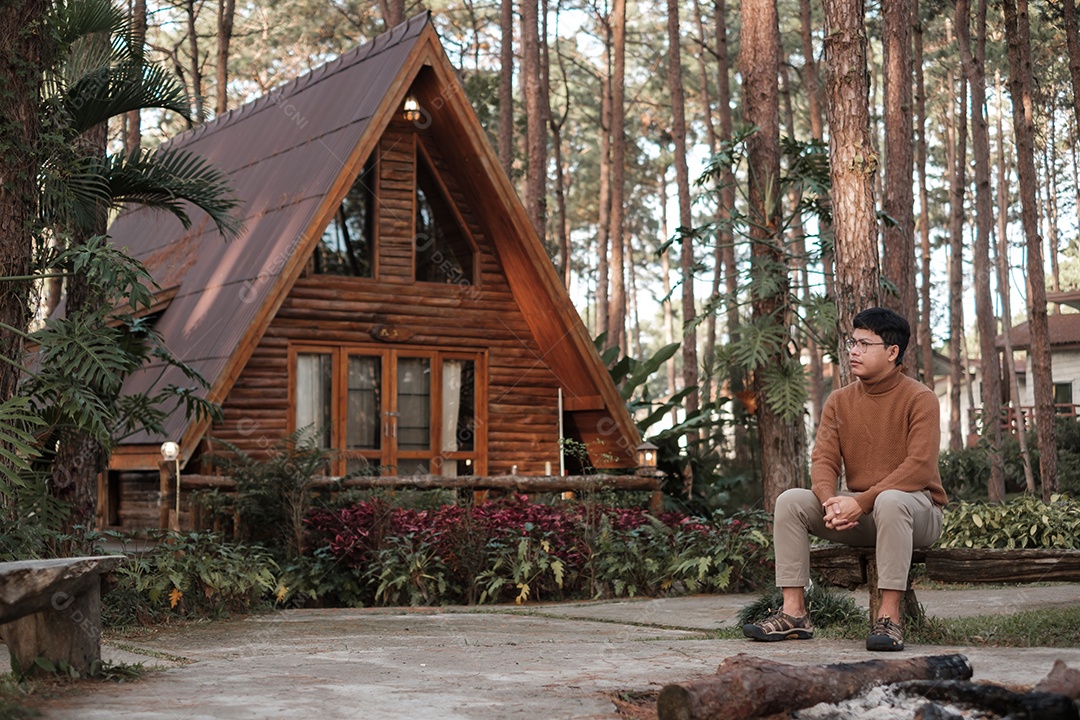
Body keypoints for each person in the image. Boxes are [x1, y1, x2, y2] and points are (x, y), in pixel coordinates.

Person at [742, 306, 947, 651]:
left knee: (891, 499)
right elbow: (823, 460)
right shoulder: (839, 401)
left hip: (917, 513)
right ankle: (794, 614)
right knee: (791, 500)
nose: (853, 351)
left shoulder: (920, 398)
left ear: (892, 351)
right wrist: (829, 502)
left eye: (865, 344)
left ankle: (890, 619)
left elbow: (919, 469)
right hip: (862, 514)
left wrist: (860, 502)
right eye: (853, 343)